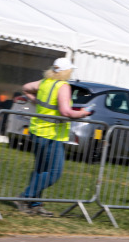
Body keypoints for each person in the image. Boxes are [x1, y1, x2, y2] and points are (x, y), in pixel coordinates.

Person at [16, 57, 93, 216]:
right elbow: (66, 112)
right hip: (52, 134)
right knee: (54, 172)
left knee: (40, 170)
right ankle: (25, 197)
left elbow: (25, 88)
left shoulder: (44, 82)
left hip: (37, 130)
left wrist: (36, 101)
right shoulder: (63, 86)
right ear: (65, 71)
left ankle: (34, 204)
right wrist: (83, 113)